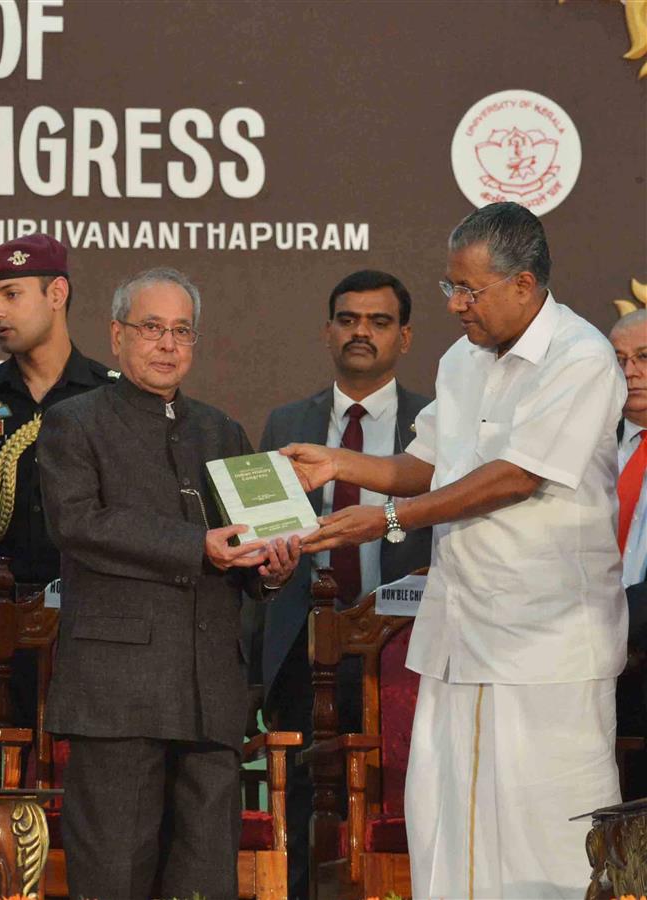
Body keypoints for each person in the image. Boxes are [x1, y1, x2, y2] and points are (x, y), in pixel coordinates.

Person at [285, 202, 626, 897]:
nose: (457, 306)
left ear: (525, 286)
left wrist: (387, 520)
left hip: (545, 645)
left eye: (470, 291)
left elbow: (515, 476)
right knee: (449, 831)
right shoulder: (461, 360)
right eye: (450, 288)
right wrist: (338, 465)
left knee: (548, 843)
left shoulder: (581, 358)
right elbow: (429, 463)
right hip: (459, 634)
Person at [38, 267, 300, 898]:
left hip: (211, 691)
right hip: (118, 692)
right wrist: (196, 545)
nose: (167, 344)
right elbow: (77, 523)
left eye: (182, 331)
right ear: (117, 334)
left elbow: (246, 544)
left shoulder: (221, 430)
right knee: (114, 877)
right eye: (151, 328)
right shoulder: (75, 421)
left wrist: (271, 569)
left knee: (205, 880)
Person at [254, 269, 432, 898]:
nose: (362, 332)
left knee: (410, 806)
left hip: (411, 653)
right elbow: (265, 539)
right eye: (348, 319)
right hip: (306, 654)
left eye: (379, 321)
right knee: (304, 817)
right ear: (328, 331)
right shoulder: (286, 422)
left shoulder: (435, 424)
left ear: (405, 337)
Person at [0, 233, 116, 789]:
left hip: (88, 623)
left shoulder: (112, 399)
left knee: (87, 795)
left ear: (57, 293)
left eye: (12, 295)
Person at [611, 309, 647, 799]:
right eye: (618, 360)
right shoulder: (587, 447)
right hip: (587, 660)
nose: (630, 371)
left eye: (643, 358)